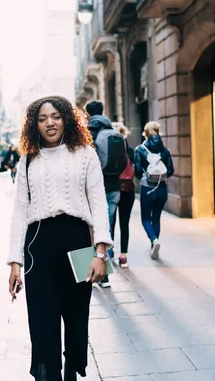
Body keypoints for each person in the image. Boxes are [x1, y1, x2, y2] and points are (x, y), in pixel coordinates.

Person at [8, 96, 112, 381]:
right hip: (38, 247)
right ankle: (48, 375)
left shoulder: (85, 153)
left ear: (66, 118)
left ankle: (71, 374)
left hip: (77, 242)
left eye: (55, 116)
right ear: (34, 125)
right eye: (42, 119)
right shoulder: (27, 160)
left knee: (76, 318)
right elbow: (19, 211)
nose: (49, 123)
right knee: (42, 320)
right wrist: (15, 262)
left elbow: (98, 203)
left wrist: (100, 253)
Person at [85, 100, 127, 288]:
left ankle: (101, 274)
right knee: (108, 226)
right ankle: (104, 273)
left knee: (94, 229)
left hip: (97, 187)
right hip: (115, 185)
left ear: (88, 114)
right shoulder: (113, 131)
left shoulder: (90, 132)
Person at [134, 121, 174, 259]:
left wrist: (146, 177)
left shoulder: (140, 149)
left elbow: (137, 171)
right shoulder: (165, 151)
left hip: (148, 189)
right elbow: (171, 170)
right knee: (156, 218)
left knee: (146, 218)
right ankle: (153, 247)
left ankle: (154, 240)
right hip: (162, 189)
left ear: (145, 133)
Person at [111, 123, 136, 268]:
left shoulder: (112, 151)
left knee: (111, 223)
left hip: (114, 188)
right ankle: (124, 256)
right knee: (124, 223)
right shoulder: (130, 151)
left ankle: (110, 252)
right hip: (128, 189)